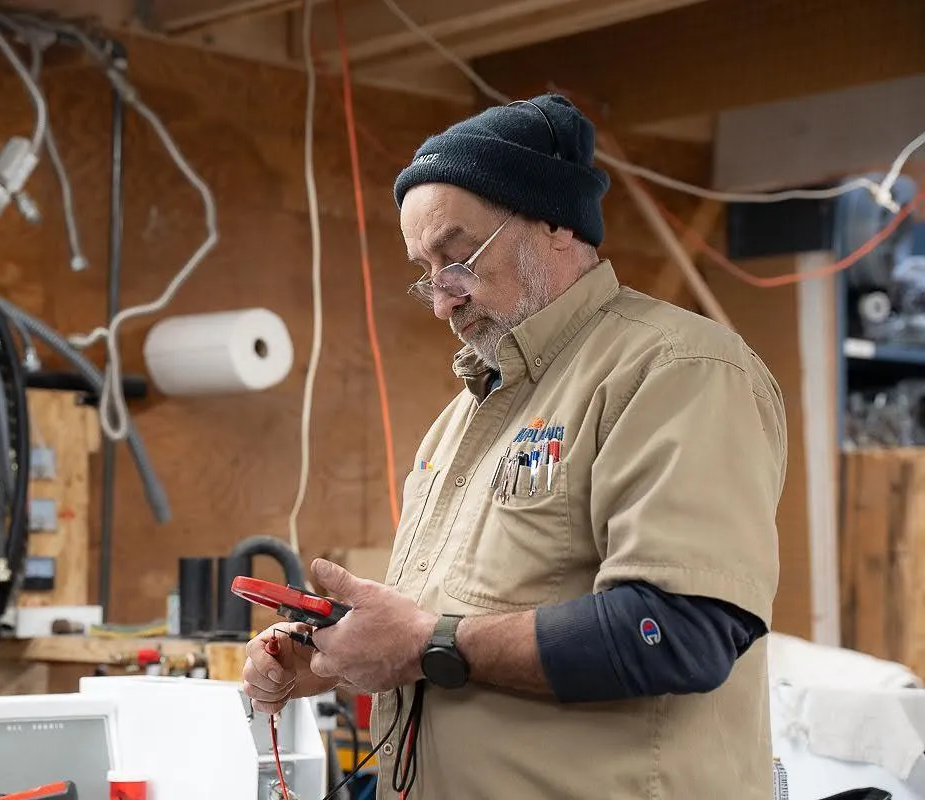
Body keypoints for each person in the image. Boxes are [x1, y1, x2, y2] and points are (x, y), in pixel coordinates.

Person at [242, 93, 787, 800]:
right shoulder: (462, 422)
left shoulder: (678, 370)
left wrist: (421, 642)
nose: (442, 300)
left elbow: (679, 631)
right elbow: (439, 627)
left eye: (458, 258)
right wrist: (326, 654)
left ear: (556, 220)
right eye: (424, 273)